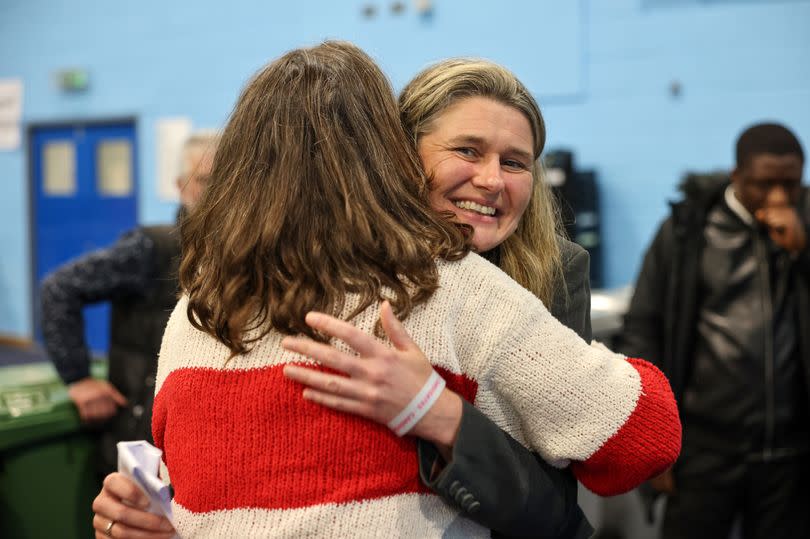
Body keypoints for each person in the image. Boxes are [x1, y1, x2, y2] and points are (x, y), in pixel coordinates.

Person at [93, 43, 679, 538]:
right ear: (394, 157)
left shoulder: (203, 306)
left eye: (516, 161)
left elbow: (560, 505)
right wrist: (160, 515)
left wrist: (441, 413)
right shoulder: (446, 286)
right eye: (467, 150)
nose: (491, 179)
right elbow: (213, 494)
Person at [619, 122, 810, 539]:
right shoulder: (689, 231)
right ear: (736, 177)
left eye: (790, 184)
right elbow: (643, 329)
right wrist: (654, 440)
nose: (778, 197)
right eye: (764, 184)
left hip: (790, 453)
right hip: (705, 450)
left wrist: (803, 251)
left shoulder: (805, 222)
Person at [41, 131, 218, 476]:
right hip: (142, 450)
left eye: (226, 179)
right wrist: (79, 378)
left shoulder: (243, 256)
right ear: (181, 185)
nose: (216, 192)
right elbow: (59, 289)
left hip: (197, 447)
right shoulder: (153, 248)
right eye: (205, 180)